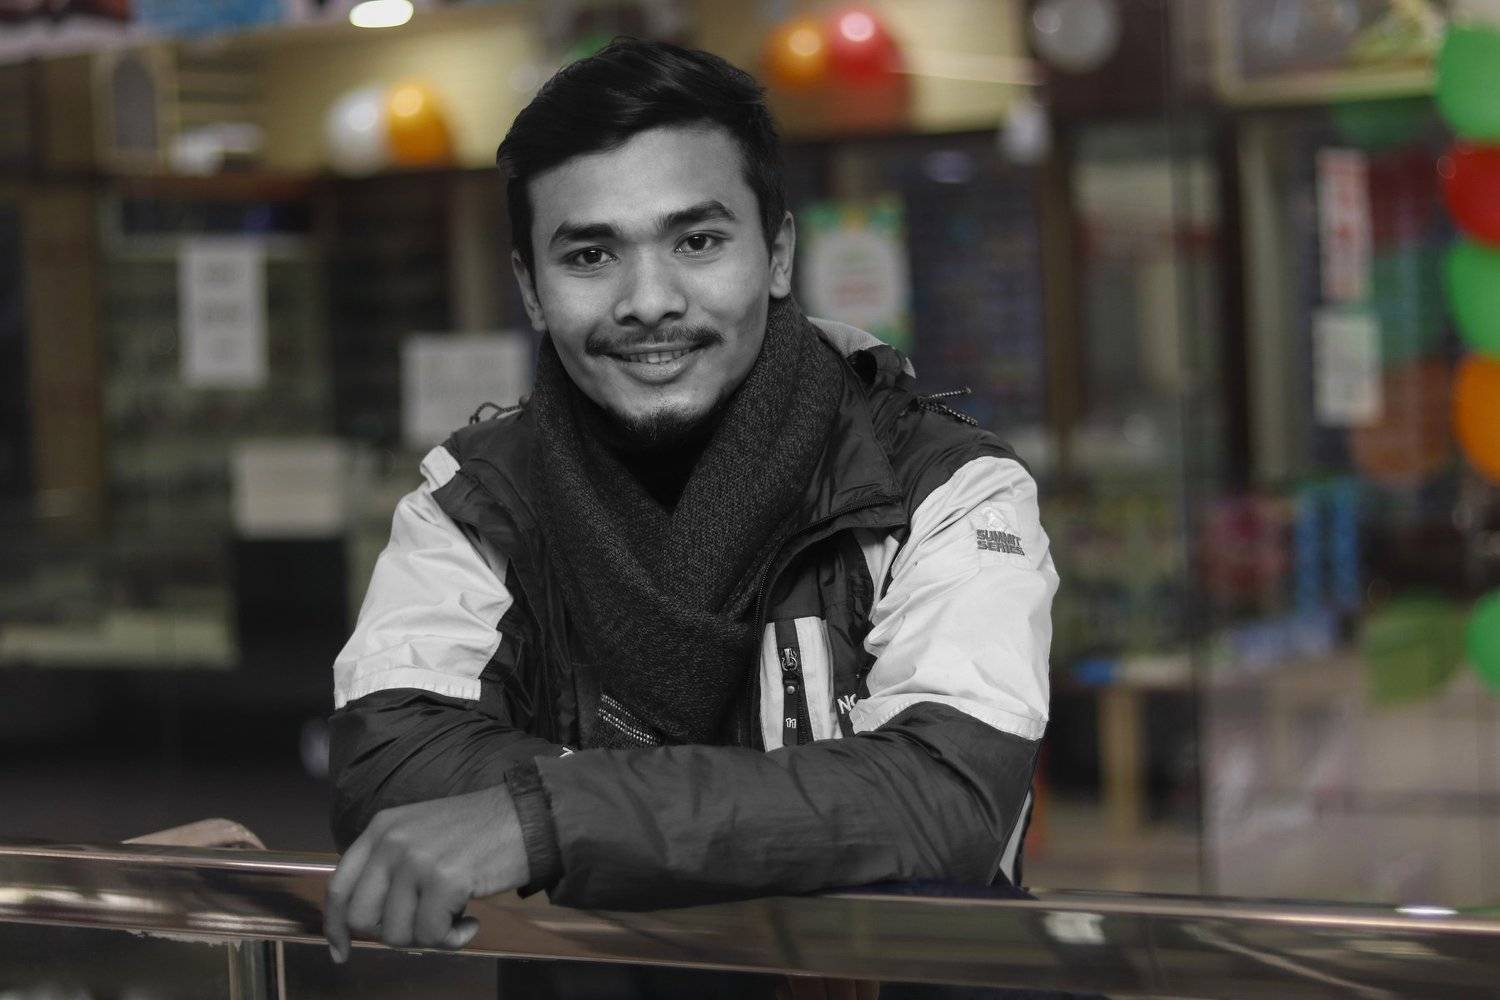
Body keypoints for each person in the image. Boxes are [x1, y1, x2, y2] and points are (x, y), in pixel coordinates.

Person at [322, 37, 1058, 994]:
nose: (650, 301)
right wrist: (776, 817)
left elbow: (941, 796)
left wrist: (543, 820)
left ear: (778, 253)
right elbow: (392, 758)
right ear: (531, 289)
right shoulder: (474, 501)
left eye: (698, 242)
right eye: (590, 254)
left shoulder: (941, 488)